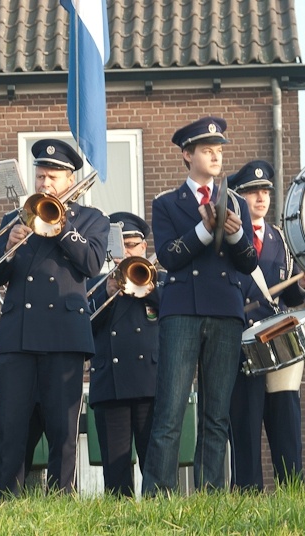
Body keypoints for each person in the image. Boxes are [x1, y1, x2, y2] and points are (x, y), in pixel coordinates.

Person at [0, 139, 110, 499]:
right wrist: (8, 248)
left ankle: (60, 501)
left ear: (70, 179)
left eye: (52, 177)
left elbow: (91, 264)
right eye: (40, 176)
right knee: (9, 426)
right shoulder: (14, 218)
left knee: (62, 429)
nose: (43, 184)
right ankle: (3, 500)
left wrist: (61, 226)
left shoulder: (90, 219)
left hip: (63, 336)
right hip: (18, 338)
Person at [142, 117, 258, 496]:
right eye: (207, 149)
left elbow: (249, 264)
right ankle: (160, 497)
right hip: (181, 311)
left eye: (220, 149)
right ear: (187, 154)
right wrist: (205, 231)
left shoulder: (236, 201)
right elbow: (170, 258)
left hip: (226, 311)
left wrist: (237, 232)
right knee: (170, 410)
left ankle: (210, 498)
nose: (216, 155)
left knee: (216, 414)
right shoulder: (165, 204)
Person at [227, 160, 305, 490]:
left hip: (277, 340)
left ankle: (292, 491)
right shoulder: (227, 239)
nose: (261, 198)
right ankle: (249, 494)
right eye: (252, 193)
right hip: (239, 341)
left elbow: (289, 292)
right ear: (239, 197)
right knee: (244, 424)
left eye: (265, 192)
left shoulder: (282, 240)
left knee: (285, 418)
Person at [87, 212, 161, 497]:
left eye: (133, 245)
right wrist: (106, 292)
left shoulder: (159, 280)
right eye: (121, 246)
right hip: (111, 388)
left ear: (144, 247)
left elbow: (172, 313)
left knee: (154, 467)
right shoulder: (94, 284)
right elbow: (84, 327)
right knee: (116, 477)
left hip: (149, 386)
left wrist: (150, 289)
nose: (128, 252)